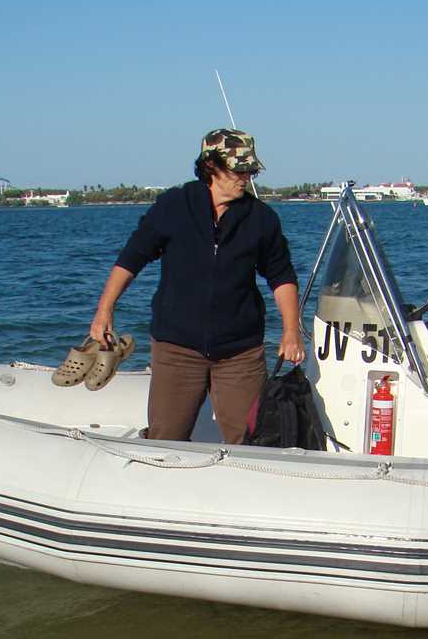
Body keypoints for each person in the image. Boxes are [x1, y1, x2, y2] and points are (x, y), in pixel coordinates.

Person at [88, 128, 305, 443]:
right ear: (211, 166)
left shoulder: (261, 219)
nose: (246, 177)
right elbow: (131, 259)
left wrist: (291, 331)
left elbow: (282, 276)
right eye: (238, 170)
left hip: (240, 352)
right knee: (165, 438)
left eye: (251, 170)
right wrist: (104, 310)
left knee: (252, 441)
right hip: (176, 348)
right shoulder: (174, 206)